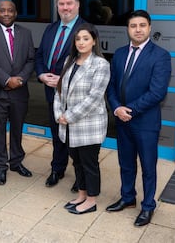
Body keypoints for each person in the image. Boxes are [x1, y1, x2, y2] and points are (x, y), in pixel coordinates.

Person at [106, 10, 171, 226]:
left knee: (148, 166)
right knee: (125, 163)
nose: (138, 29)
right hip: (122, 120)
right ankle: (127, 198)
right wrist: (116, 109)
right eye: (133, 26)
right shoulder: (120, 53)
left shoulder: (160, 55)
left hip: (145, 123)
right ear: (128, 29)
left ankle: (148, 206)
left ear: (150, 28)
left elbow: (157, 93)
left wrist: (128, 110)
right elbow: (112, 86)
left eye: (142, 25)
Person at [54, 23, 110, 214]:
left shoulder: (101, 64)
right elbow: (59, 90)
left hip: (88, 124)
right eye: (78, 39)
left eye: (86, 38)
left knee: (89, 163)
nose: (81, 42)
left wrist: (68, 116)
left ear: (94, 41)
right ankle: (82, 194)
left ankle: (92, 200)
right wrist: (58, 114)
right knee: (76, 162)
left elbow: (94, 98)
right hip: (68, 125)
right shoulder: (70, 60)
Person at [35, 0, 86, 190]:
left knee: (77, 138)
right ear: (57, 7)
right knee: (57, 134)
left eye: (69, 3)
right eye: (61, 4)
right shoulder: (51, 28)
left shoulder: (86, 29)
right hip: (52, 93)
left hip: (75, 96)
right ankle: (57, 168)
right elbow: (39, 56)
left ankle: (80, 176)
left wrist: (62, 80)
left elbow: (88, 64)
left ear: (77, 5)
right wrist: (41, 75)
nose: (65, 8)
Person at [0, 0, 35, 185]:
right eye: (2, 10)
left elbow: (30, 60)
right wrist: (6, 80)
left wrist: (19, 79)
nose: (6, 13)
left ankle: (16, 162)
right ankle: (1, 166)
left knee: (17, 129)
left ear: (16, 13)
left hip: (20, 92)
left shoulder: (26, 33)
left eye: (10, 10)